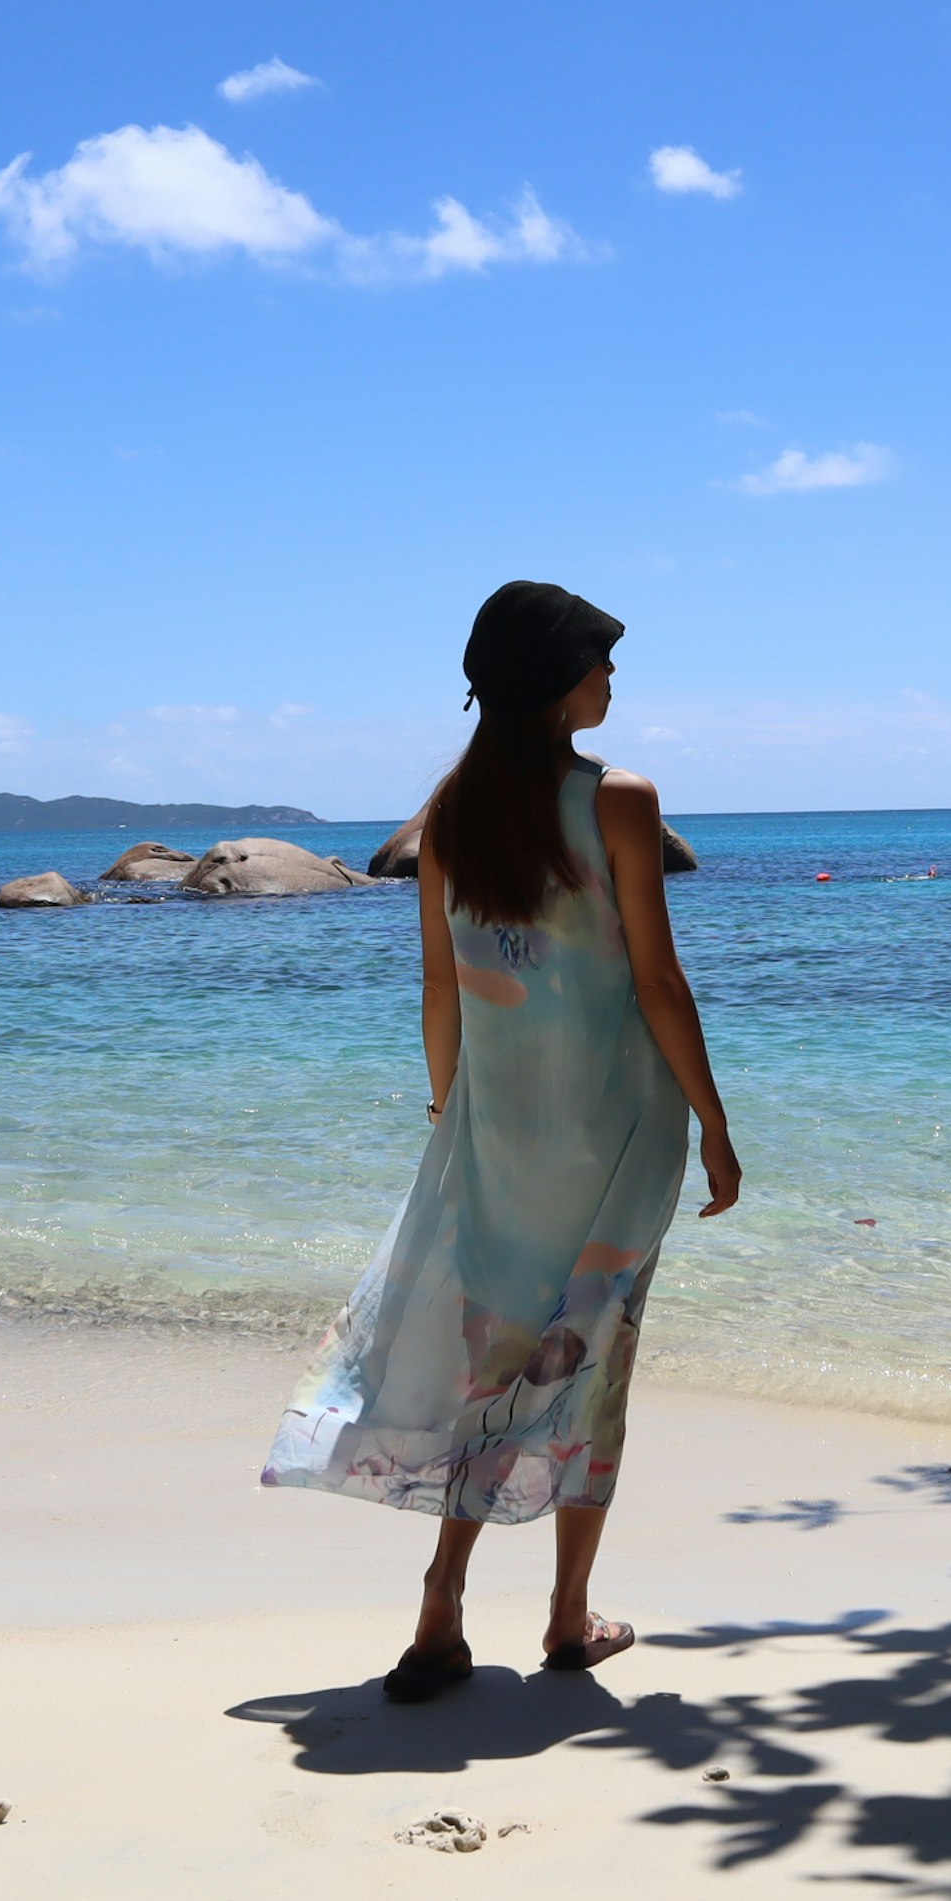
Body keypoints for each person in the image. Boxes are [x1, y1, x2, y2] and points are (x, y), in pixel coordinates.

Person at [260, 580, 741, 1699]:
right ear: (553, 681)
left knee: (496, 1357)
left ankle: (441, 1607)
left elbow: (443, 989)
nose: (613, 679)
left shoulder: (447, 814)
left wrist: (451, 1117)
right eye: (599, 661)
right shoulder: (622, 801)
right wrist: (717, 1121)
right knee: (597, 1359)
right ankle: (570, 1618)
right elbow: (658, 981)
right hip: (620, 1127)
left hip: (495, 1128)